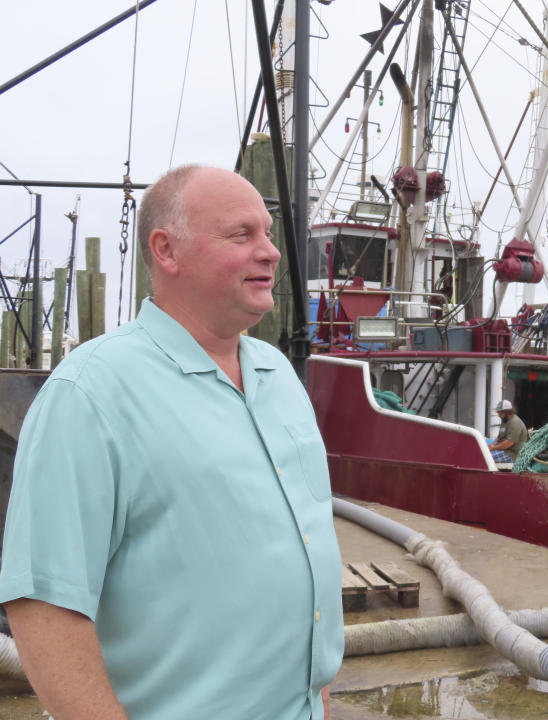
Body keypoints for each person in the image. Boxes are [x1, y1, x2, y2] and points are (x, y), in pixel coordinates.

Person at [0, 166, 344, 720]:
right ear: (166, 250)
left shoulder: (279, 375)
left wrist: (318, 695)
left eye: (268, 233)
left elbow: (306, 546)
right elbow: (42, 601)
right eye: (242, 235)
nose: (272, 253)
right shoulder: (90, 392)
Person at [488, 399, 528, 463]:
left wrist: (493, 448)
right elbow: (499, 437)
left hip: (512, 455)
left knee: (486, 458)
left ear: (507, 412)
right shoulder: (505, 421)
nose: (499, 415)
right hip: (504, 450)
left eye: (500, 413)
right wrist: (491, 446)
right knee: (484, 454)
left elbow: (508, 443)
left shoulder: (515, 423)